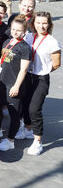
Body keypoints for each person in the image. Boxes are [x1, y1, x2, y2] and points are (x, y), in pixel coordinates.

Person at [20, 12, 61, 155]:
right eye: (38, 23)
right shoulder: (28, 37)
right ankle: (27, 130)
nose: (41, 26)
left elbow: (56, 64)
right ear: (33, 23)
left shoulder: (52, 41)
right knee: (24, 105)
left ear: (49, 24)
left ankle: (38, 141)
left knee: (34, 109)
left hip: (41, 78)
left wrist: (42, 69)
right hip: (27, 76)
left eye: (44, 23)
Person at [0, 17, 31, 152]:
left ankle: (10, 140)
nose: (15, 32)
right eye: (13, 29)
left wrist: (16, 86)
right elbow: (1, 59)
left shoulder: (25, 47)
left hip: (13, 83)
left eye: (19, 30)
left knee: (13, 112)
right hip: (2, 81)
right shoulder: (7, 41)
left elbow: (24, 69)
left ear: (24, 31)